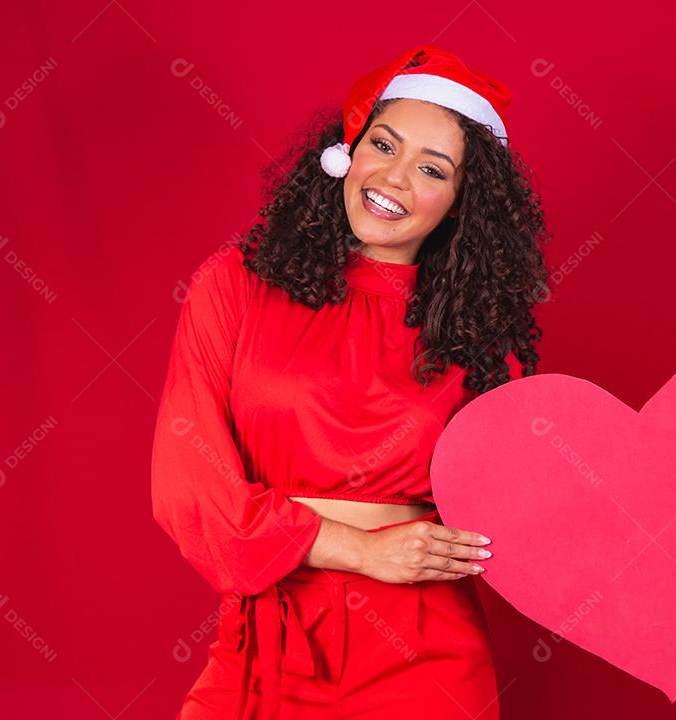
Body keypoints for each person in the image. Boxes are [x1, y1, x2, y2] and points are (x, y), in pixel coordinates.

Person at [150, 45, 547, 719]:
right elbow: (188, 486)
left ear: (460, 203)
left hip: (423, 660)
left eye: (431, 169)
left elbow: (549, 518)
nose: (392, 177)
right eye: (383, 144)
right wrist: (360, 552)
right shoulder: (236, 285)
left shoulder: (480, 339)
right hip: (265, 639)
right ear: (346, 150)